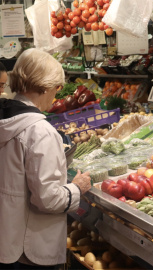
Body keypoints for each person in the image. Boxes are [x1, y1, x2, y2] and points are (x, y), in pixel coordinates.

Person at [0, 48, 92, 269]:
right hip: (30, 249)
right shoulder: (40, 132)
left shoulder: (7, 117)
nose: (57, 94)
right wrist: (77, 188)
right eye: (57, 87)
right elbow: (47, 199)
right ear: (44, 87)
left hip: (7, 239)